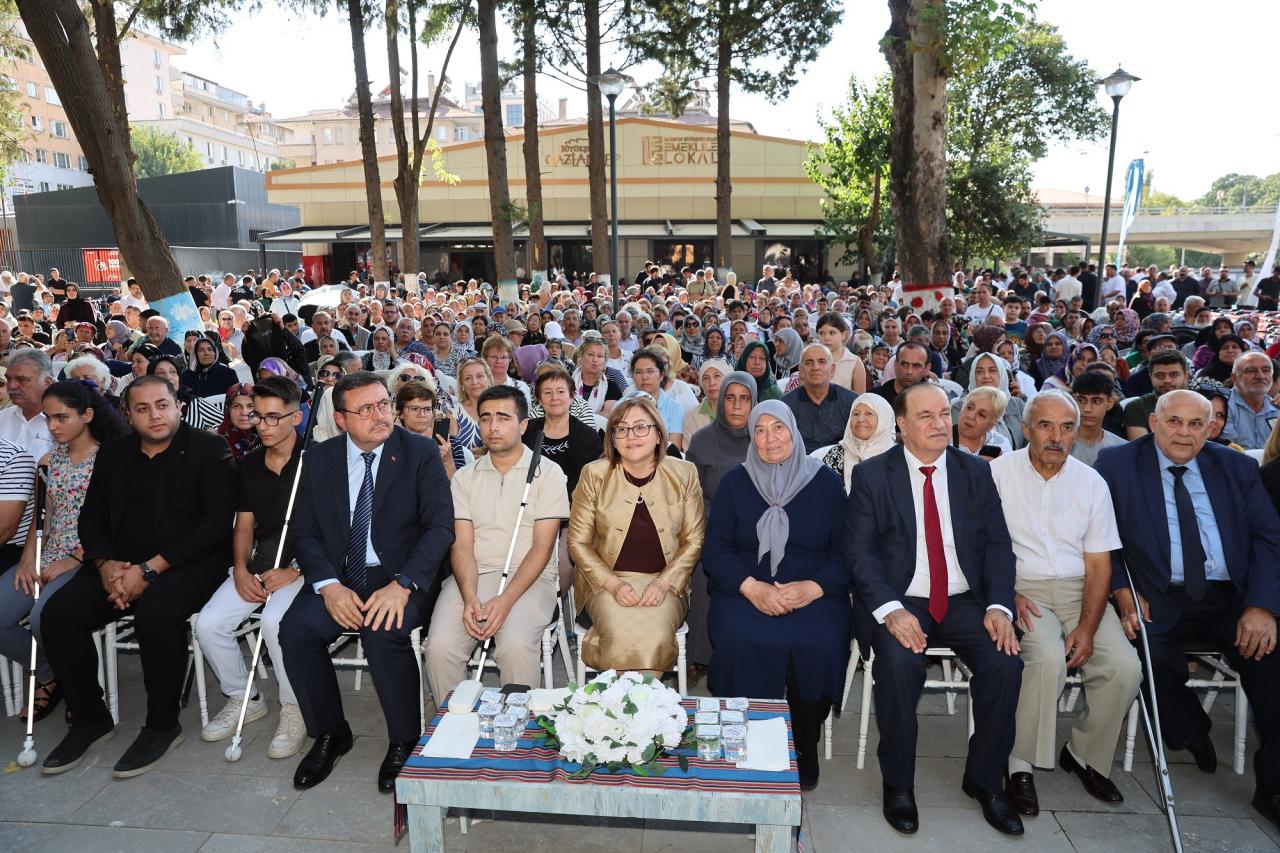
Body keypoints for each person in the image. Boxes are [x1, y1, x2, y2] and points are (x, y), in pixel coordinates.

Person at [1095, 390, 1280, 832]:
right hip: (1156, 594)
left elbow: (1268, 539)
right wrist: (1120, 589)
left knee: (1274, 663)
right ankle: (1189, 727)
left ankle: (1272, 785)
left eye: (1196, 424)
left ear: (1210, 427)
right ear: (1154, 422)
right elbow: (1099, 536)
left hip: (1230, 598)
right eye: (1174, 421)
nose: (1184, 432)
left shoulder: (1236, 467)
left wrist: (1261, 606)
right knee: (1145, 654)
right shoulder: (1116, 465)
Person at [845, 382, 1024, 837]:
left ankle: (985, 781)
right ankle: (899, 784)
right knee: (900, 664)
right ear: (901, 425)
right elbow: (859, 553)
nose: (940, 422)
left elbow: (999, 546)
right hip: (903, 598)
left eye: (945, 413)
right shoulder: (872, 476)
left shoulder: (975, 472)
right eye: (925, 415)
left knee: (1006, 663)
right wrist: (889, 610)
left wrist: (1000, 605)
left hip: (965, 600)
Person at [39, 375, 238, 777]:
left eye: (162, 405)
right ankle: (91, 718)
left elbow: (215, 525)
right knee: (58, 614)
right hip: (119, 563)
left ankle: (162, 725)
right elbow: (91, 517)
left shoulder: (209, 448)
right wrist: (106, 566)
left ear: (178, 405)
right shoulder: (113, 453)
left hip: (188, 562)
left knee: (156, 615)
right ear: (128, 414)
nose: (155, 415)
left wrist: (150, 569)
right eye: (143, 409)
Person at [282, 371, 455, 793]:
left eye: (383, 404)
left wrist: (403, 585)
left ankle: (403, 740)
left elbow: (440, 528)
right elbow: (304, 531)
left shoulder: (418, 452)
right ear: (341, 419)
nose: (380, 415)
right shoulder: (320, 459)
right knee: (296, 630)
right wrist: (328, 585)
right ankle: (330, 732)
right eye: (366, 409)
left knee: (383, 631)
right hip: (341, 574)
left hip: (401, 574)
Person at [988, 390, 1140, 815]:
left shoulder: (1092, 483)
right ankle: (1019, 763)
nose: (1056, 436)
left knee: (1124, 668)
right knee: (1048, 660)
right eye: (1045, 425)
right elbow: (980, 546)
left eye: (1066, 427)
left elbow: (1099, 563)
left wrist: (1088, 628)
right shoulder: (998, 474)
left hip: (1080, 589)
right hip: (1021, 588)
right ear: (1025, 428)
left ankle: (1084, 754)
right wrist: (1005, 593)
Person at [704, 401, 849, 791]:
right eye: (761, 430)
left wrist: (813, 587)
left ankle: (803, 744)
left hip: (814, 588)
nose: (770, 438)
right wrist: (751, 587)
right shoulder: (736, 482)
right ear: (752, 437)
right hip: (747, 586)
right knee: (740, 638)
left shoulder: (826, 482)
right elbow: (715, 550)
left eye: (778, 428)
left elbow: (846, 550)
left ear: (793, 431)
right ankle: (747, 738)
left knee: (816, 643)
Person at [193, 377, 308, 760]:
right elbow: (243, 524)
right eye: (259, 416)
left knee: (276, 624)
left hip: (305, 566)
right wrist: (240, 569)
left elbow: (340, 528)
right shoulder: (249, 463)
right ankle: (245, 695)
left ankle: (295, 707)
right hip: (261, 562)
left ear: (297, 416)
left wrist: (294, 569)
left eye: (275, 418)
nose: (264, 425)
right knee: (208, 624)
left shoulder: (320, 458)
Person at [425, 384, 567, 697]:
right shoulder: (465, 477)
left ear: (523, 425)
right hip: (474, 577)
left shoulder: (549, 473)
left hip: (531, 580)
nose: (493, 426)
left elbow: (543, 549)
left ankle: (518, 734)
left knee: (515, 644)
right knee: (440, 648)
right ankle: (453, 731)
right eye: (486, 418)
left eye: (503, 418)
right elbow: (461, 546)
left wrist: (504, 602)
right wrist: (469, 597)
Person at [567, 394, 704, 676]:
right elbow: (577, 542)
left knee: (653, 639)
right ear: (612, 438)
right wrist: (613, 584)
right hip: (605, 582)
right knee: (619, 637)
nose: (632, 436)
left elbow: (694, 540)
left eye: (642, 427)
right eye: (621, 428)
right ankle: (625, 714)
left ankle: (638, 715)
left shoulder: (684, 473)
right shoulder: (594, 474)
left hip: (665, 582)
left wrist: (665, 583)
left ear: (658, 434)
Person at [684, 372, 757, 679]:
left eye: (744, 399)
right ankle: (700, 656)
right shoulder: (702, 441)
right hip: (713, 529)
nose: (737, 406)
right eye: (730, 398)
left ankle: (753, 650)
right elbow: (691, 499)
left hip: (759, 531)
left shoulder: (765, 437)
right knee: (703, 570)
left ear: (755, 402)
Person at [782, 342, 858, 455]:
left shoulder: (852, 402)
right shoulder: (785, 406)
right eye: (809, 362)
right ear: (801, 370)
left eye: (822, 362)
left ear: (832, 369)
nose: (815, 367)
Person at [814, 393, 897, 493]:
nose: (860, 419)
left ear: (884, 420)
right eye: (856, 414)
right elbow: (822, 494)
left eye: (868, 413)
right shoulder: (836, 454)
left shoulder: (897, 457)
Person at [0, 349, 55, 458]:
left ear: (47, 382)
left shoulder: (65, 425)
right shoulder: (2, 417)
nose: (12, 386)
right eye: (8, 379)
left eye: (22, 380)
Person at [1122, 350, 1189, 439]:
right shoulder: (1137, 407)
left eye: (1174, 375)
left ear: (1185, 377)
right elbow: (1142, 448)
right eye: (1160, 375)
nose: (1167, 380)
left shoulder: (1201, 405)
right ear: (1150, 377)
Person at [1221, 352, 1279, 450]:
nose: (1261, 376)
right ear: (1235, 378)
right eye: (1251, 371)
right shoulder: (1222, 406)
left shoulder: (1276, 407)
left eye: (1266, 370)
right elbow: (1228, 451)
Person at [1069, 372, 1127, 465]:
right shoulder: (1057, 445)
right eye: (1081, 400)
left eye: (1096, 401)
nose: (1087, 409)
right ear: (1072, 400)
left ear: (1110, 403)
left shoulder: (1122, 448)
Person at [953, 387, 1012, 459]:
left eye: (981, 414)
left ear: (992, 424)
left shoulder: (1001, 444)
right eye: (969, 407)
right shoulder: (941, 438)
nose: (970, 416)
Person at [817, 312, 867, 393]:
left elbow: (859, 399)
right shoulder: (812, 359)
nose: (826, 338)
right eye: (822, 333)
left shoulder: (854, 363)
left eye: (832, 333)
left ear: (844, 334)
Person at [869, 341, 932, 407]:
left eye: (916, 366)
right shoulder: (875, 399)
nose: (909, 371)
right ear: (895, 365)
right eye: (904, 364)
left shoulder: (935, 401)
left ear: (927, 369)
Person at [682, 358, 730, 439]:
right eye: (706, 378)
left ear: (729, 380)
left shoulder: (739, 411)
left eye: (717, 376)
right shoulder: (692, 418)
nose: (711, 383)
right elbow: (690, 450)